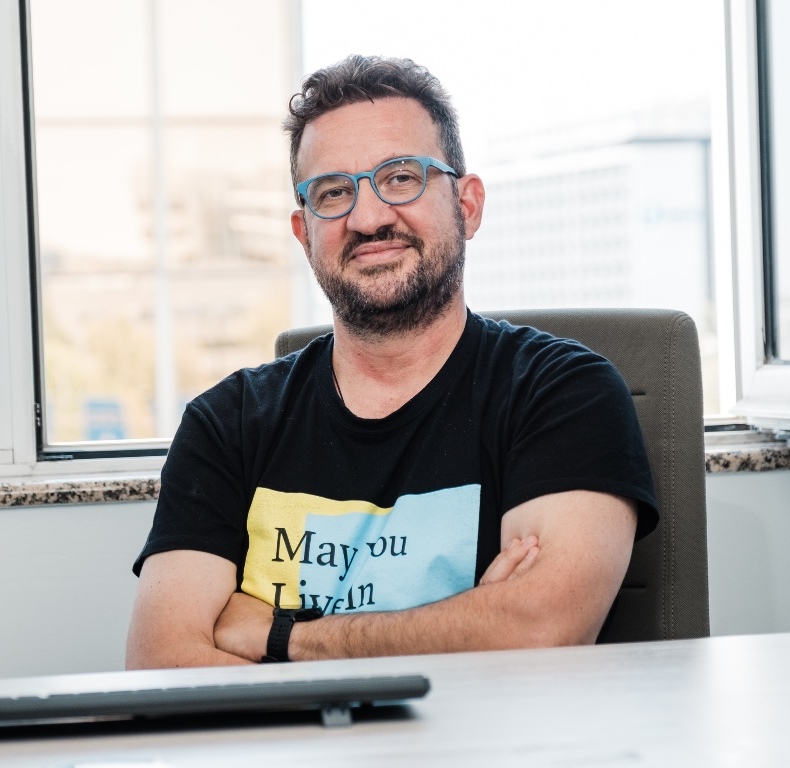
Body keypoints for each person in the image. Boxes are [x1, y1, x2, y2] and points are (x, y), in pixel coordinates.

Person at [126, 54, 658, 669]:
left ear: (468, 205)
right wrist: (471, 626)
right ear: (303, 233)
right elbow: (162, 664)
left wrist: (282, 639)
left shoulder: (562, 393)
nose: (369, 217)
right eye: (333, 192)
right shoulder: (227, 424)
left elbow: (540, 628)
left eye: (401, 177)